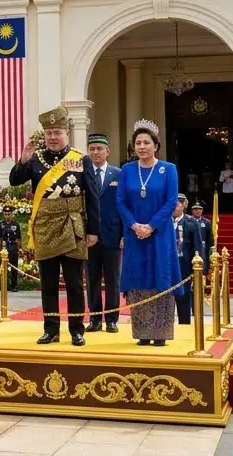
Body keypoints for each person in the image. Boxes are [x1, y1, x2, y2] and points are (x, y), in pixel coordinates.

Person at [10, 106, 98, 346]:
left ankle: (77, 330)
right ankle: (51, 330)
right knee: (48, 283)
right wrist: (23, 160)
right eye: (49, 133)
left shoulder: (80, 160)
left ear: (66, 134)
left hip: (73, 225)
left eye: (57, 132)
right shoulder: (36, 159)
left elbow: (92, 196)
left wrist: (93, 230)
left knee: (74, 284)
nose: (53, 137)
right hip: (45, 226)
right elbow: (14, 180)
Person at [117, 119, 180, 347]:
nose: (142, 147)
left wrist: (151, 226)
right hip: (135, 236)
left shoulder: (168, 169)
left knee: (160, 276)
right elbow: (121, 202)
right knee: (138, 278)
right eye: (138, 143)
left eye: (146, 142)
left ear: (156, 145)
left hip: (160, 235)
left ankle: (161, 332)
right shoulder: (126, 170)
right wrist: (135, 226)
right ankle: (142, 332)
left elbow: (171, 201)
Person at [82, 133, 121, 333]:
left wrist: (123, 234)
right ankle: (95, 318)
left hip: (113, 236)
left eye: (99, 149)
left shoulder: (118, 174)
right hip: (90, 237)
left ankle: (112, 319)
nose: (96, 152)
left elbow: (124, 206)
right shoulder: (82, 174)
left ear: (108, 151)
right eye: (92, 149)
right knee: (92, 279)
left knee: (113, 279)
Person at [0, 206, 22, 291]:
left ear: (11, 214)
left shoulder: (16, 224)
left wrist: (20, 249)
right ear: (3, 214)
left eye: (8, 214)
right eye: (5, 214)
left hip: (13, 247)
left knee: (14, 267)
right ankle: (4, 285)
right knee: (4, 267)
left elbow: (19, 238)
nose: (7, 216)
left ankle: (14, 286)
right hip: (5, 248)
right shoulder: (1, 224)